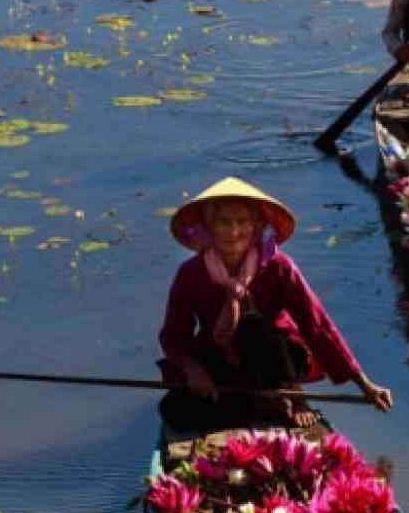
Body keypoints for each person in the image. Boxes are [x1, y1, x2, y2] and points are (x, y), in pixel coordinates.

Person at [157, 177, 395, 433]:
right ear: (209, 227)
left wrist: (365, 384)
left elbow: (316, 324)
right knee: (173, 410)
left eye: (242, 222)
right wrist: (192, 369)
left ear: (256, 226)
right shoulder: (191, 273)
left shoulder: (279, 267)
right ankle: (254, 405)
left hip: (278, 360)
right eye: (224, 222)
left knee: (252, 325)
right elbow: (173, 336)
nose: (233, 232)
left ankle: (291, 396)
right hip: (223, 357)